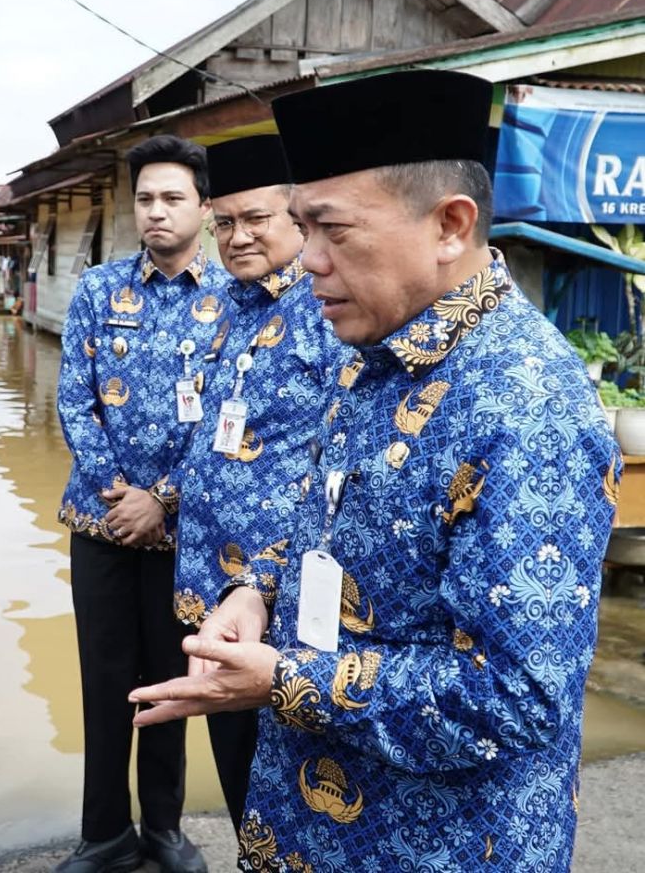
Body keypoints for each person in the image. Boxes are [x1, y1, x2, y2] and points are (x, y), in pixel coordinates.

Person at [130, 71, 621, 872]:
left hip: (439, 841)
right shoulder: (372, 353)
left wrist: (283, 678)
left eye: (332, 230)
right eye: (302, 227)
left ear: (450, 226)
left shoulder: (526, 404)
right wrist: (259, 593)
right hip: (308, 820)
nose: (309, 262)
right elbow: (321, 515)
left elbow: (516, 696)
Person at [55, 135, 232, 873]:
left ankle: (164, 828)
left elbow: (235, 417)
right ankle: (104, 836)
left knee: (173, 685)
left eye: (172, 198)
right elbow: (73, 397)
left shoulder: (235, 301)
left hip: (187, 537)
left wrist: (162, 500)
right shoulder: (99, 291)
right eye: (145, 199)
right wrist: (121, 495)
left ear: (205, 209)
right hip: (101, 525)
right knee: (104, 684)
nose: (155, 212)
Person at [170, 134, 343, 832]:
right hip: (210, 586)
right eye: (224, 225)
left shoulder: (326, 309)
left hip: (277, 601)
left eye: (256, 220)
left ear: (297, 218)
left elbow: (337, 458)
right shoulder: (227, 308)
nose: (238, 238)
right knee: (240, 780)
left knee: (287, 790)